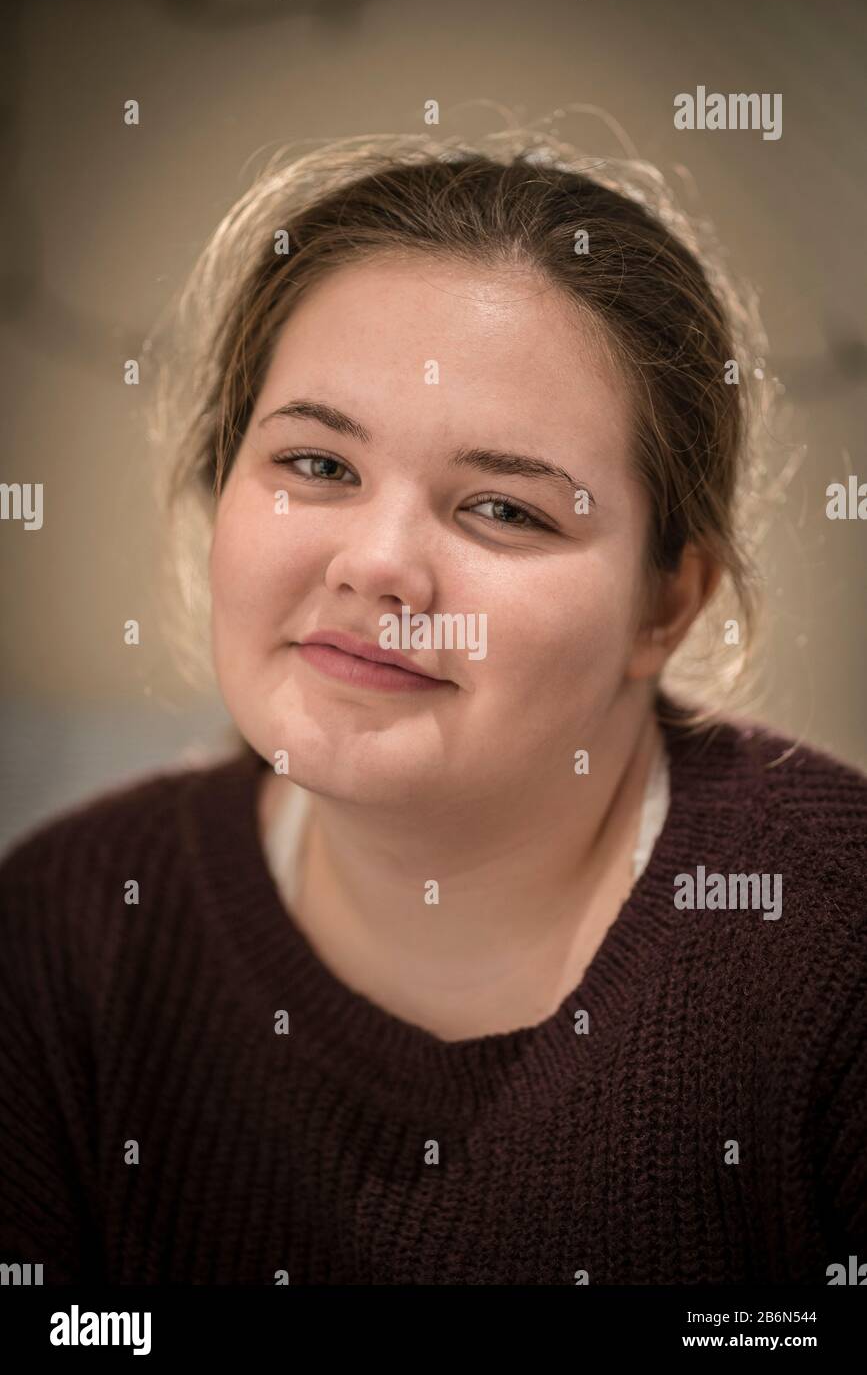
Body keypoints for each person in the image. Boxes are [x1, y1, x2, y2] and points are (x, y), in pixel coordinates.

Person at [1, 138, 865, 1286]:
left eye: (503, 506)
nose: (377, 565)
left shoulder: (835, 942)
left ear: (667, 603)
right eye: (316, 464)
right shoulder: (66, 929)